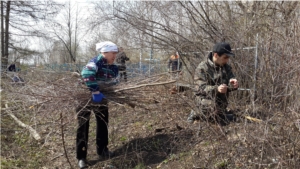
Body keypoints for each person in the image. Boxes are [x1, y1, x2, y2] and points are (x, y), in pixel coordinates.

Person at [76, 41, 119, 169]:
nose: (114, 56)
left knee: (103, 122)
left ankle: (102, 150)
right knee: (83, 125)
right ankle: (81, 157)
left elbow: (115, 81)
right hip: (84, 97)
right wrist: (95, 90)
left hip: (101, 98)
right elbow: (86, 75)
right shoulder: (95, 62)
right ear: (104, 52)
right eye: (113, 53)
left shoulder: (113, 67)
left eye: (115, 53)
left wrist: (111, 90)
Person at [187, 42, 239, 125]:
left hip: (221, 103)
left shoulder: (226, 67)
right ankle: (195, 114)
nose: (227, 60)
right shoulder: (202, 68)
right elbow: (200, 88)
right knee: (210, 109)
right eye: (225, 57)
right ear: (215, 55)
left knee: (219, 116)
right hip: (205, 102)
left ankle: (220, 114)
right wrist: (217, 89)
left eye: (228, 58)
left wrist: (233, 84)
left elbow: (231, 80)